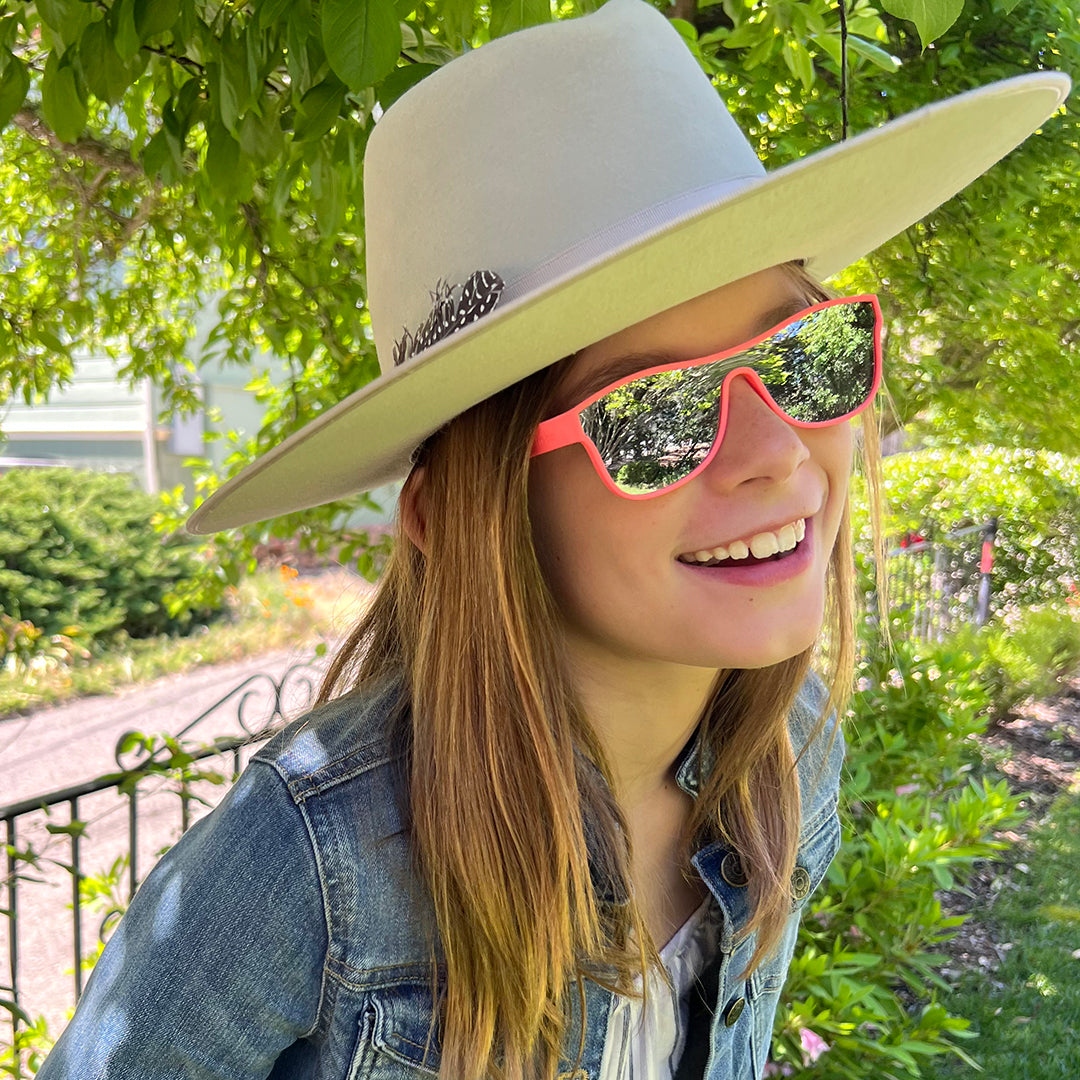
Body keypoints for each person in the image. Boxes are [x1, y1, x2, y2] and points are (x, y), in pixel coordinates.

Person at [36, 1, 1068, 1078]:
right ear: (457, 518)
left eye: (805, 359)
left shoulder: (791, 756)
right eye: (656, 414)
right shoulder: (305, 868)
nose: (776, 453)